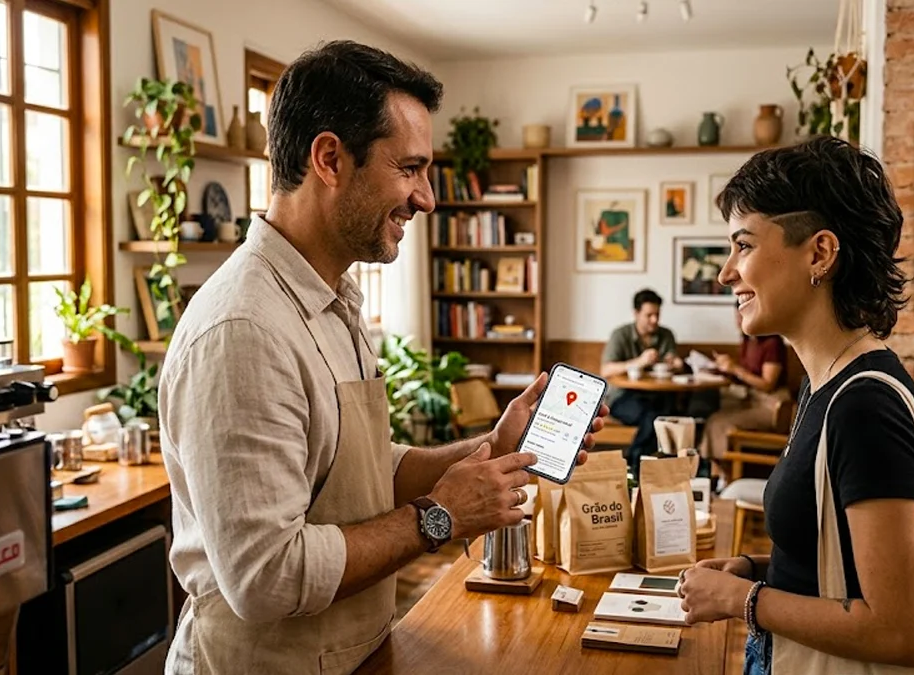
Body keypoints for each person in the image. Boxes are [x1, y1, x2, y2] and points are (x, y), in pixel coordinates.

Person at [158, 41, 606, 675]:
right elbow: (265, 577)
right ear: (330, 158)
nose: (426, 198)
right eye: (410, 169)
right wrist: (441, 517)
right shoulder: (243, 330)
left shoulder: (334, 296)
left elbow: (358, 473)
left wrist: (492, 448)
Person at [678, 136, 914, 673]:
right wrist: (755, 569)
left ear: (819, 253)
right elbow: (839, 561)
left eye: (743, 246)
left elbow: (900, 633)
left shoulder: (864, 407)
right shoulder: (824, 385)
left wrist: (737, 601)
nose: (726, 272)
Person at [697, 302, 791, 474]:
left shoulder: (772, 342)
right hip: (751, 400)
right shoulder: (747, 340)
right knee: (711, 414)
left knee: (718, 423)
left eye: (742, 316)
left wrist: (734, 368)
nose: (739, 321)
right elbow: (744, 376)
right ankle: (715, 471)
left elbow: (767, 384)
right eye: (737, 316)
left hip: (772, 407)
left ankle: (721, 473)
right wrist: (719, 369)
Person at [600, 289, 683, 476]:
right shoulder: (620, 335)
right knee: (655, 418)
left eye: (657, 314)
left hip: (657, 394)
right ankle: (638, 464)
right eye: (649, 315)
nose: (654, 320)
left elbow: (673, 364)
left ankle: (636, 466)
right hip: (622, 396)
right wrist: (639, 362)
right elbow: (606, 370)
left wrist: (676, 364)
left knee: (667, 414)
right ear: (636, 313)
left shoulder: (666, 335)